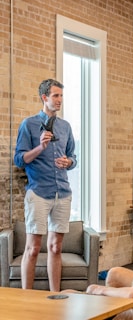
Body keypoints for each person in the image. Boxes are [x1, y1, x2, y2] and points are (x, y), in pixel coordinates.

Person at [14, 78, 77, 291]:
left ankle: (55, 297)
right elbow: (20, 160)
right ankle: (27, 297)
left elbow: (73, 158)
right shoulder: (28, 124)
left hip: (63, 193)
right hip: (39, 193)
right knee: (32, 249)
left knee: (56, 247)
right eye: (56, 96)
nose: (60, 100)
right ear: (44, 98)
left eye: (61, 96)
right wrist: (40, 147)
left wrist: (68, 162)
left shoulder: (65, 127)